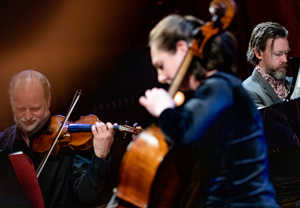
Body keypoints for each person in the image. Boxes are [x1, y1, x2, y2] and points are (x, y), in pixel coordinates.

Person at [139, 14, 279, 207]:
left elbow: (186, 133)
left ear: (182, 49)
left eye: (161, 66)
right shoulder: (210, 93)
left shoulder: (219, 88)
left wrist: (164, 110)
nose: (160, 78)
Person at [0, 70, 114, 208]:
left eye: (35, 108)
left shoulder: (67, 141)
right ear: (12, 104)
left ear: (48, 102)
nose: (28, 116)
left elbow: (88, 196)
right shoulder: (3, 143)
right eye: (21, 109)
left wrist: (101, 157)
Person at [242, 22, 292, 109]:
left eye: (286, 53)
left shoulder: (294, 83)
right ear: (258, 53)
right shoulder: (246, 91)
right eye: (278, 54)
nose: (285, 60)